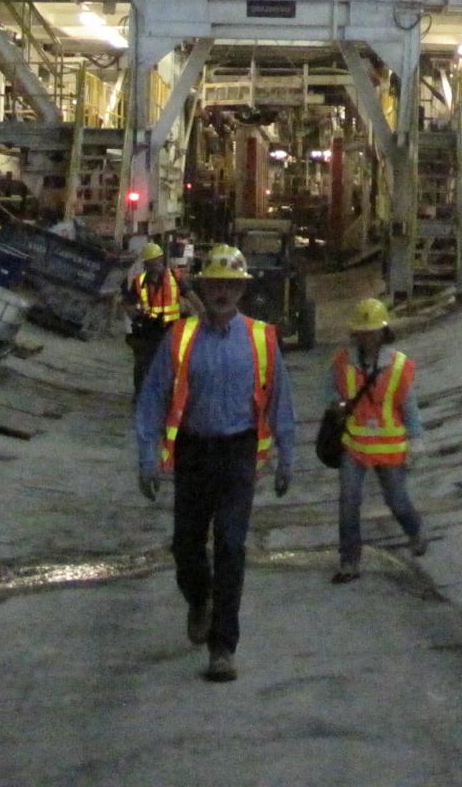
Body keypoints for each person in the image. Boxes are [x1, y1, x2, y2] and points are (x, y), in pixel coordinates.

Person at [133, 243, 294, 683]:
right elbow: (152, 400)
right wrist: (148, 456)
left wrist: (287, 456)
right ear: (202, 287)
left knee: (230, 546)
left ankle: (222, 647)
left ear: (241, 291)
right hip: (193, 453)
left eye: (230, 285)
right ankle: (198, 598)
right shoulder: (180, 338)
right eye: (215, 284)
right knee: (186, 546)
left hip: (237, 453)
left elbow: (280, 398)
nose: (222, 292)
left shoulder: (261, 338)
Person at [328, 298, 425, 583]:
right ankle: (349, 560)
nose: (368, 337)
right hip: (355, 445)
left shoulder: (397, 366)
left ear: (384, 332)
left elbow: (409, 406)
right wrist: (337, 405)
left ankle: (415, 530)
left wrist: (416, 440)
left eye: (373, 331)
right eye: (363, 331)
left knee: (396, 499)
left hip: (389, 448)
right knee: (348, 501)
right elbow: (330, 393)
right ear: (355, 333)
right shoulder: (343, 363)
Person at [126, 240, 182, 397]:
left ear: (160, 260)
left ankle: (165, 395)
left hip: (170, 329)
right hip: (149, 328)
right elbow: (128, 304)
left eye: (155, 261)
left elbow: (191, 296)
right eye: (149, 262)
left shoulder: (175, 278)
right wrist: (136, 317)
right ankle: (140, 395)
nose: (153, 265)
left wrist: (202, 316)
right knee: (143, 363)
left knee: (170, 365)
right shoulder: (140, 281)